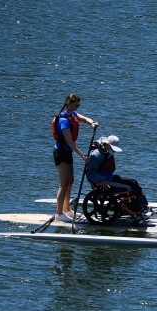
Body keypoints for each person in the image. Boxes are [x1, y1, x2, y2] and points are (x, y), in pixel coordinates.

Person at [52, 93, 98, 222]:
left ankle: (66, 209)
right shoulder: (63, 120)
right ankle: (59, 213)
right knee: (63, 184)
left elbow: (83, 118)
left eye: (78, 106)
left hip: (67, 152)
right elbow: (70, 142)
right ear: (68, 103)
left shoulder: (72, 115)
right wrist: (83, 155)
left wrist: (92, 123)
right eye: (75, 105)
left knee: (70, 181)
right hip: (60, 153)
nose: (77, 108)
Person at [84, 135, 151, 220]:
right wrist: (101, 180)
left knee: (134, 182)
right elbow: (90, 173)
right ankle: (136, 210)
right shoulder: (96, 155)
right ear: (107, 145)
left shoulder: (106, 152)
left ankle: (143, 207)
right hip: (101, 182)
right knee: (129, 187)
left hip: (109, 178)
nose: (113, 151)